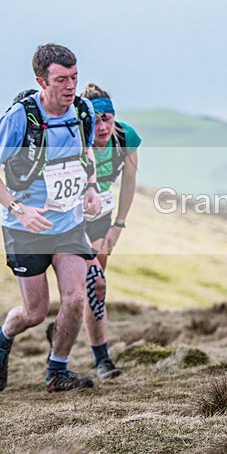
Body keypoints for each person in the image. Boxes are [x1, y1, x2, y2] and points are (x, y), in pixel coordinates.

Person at [0, 43, 101, 392]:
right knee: (35, 312)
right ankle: (1, 339)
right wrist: (18, 208)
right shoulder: (20, 118)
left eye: (75, 78)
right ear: (41, 81)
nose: (71, 87)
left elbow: (86, 155)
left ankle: (57, 371)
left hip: (68, 222)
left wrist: (92, 188)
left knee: (75, 298)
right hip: (26, 228)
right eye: (62, 80)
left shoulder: (83, 111)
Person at [46, 83, 141, 380]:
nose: (102, 127)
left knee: (96, 287)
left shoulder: (125, 138)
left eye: (107, 118)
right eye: (96, 120)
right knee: (84, 285)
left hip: (101, 215)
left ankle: (102, 359)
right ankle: (64, 342)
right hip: (67, 217)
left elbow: (128, 182)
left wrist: (119, 225)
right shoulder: (74, 139)